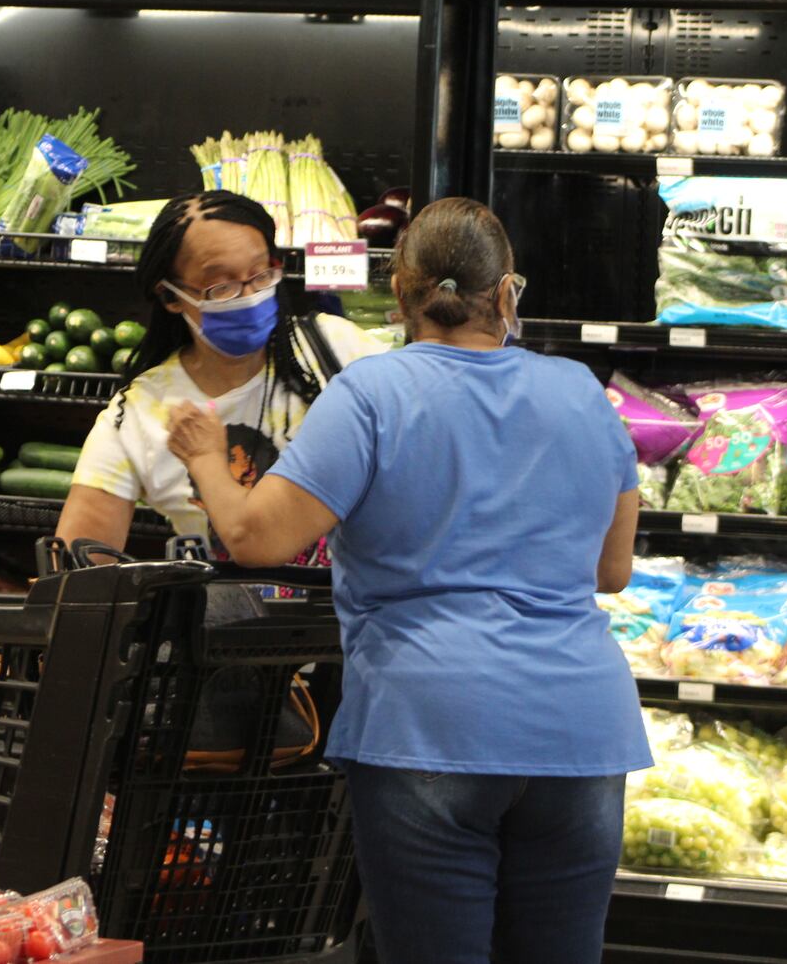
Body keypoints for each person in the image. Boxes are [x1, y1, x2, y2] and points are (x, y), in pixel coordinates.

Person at [165, 197, 648, 964]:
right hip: (580, 729)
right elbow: (611, 569)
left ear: (400, 296)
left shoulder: (372, 394)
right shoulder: (584, 394)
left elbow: (256, 535)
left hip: (429, 722)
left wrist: (204, 461)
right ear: (507, 292)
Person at [56, 190, 385, 559]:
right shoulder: (140, 412)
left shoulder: (340, 351)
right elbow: (79, 564)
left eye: (261, 274)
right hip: (217, 614)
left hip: (347, 614)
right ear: (171, 296)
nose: (249, 296)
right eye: (222, 287)